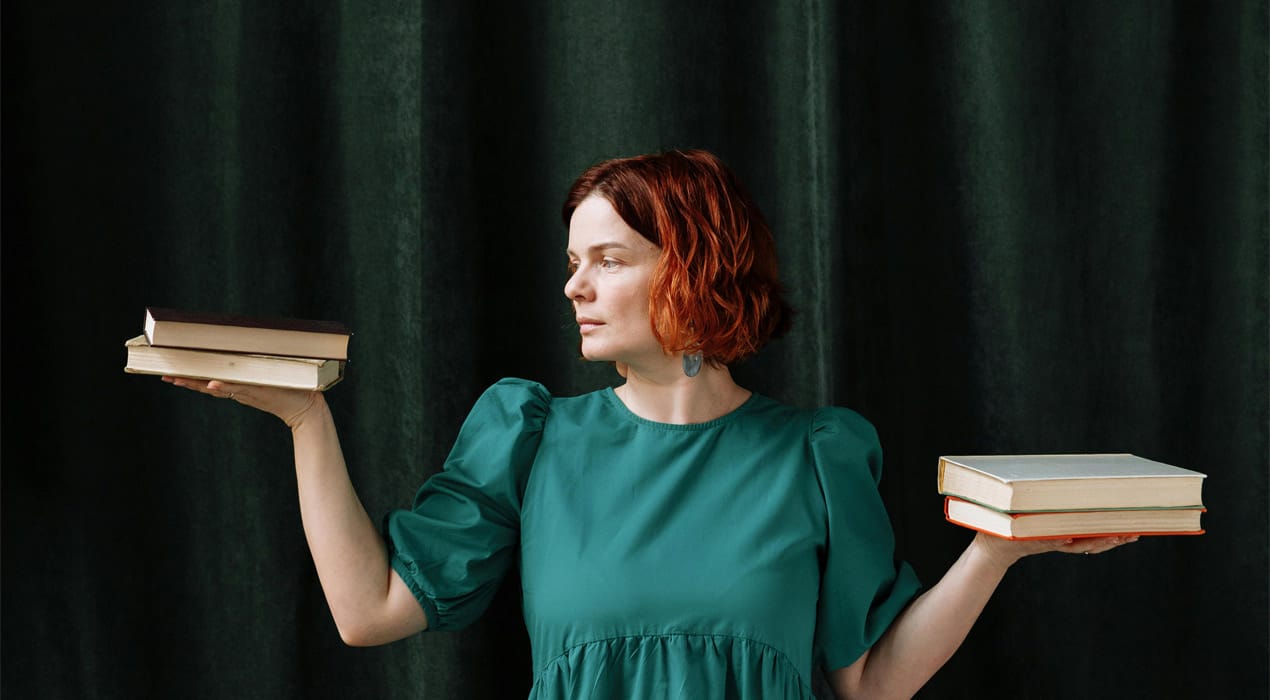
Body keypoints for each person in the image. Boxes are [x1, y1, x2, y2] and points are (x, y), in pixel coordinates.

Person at [165, 148, 1134, 699]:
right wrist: (305, 420)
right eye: (574, 260)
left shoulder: (816, 452)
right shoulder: (532, 435)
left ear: (695, 268)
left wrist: (995, 553)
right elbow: (367, 613)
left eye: (609, 259)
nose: (573, 285)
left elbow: (867, 686)